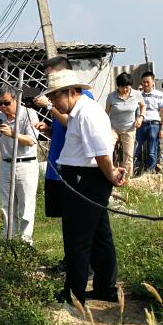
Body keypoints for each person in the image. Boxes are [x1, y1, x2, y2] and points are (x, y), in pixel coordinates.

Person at [45, 69, 126, 305]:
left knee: (77, 239)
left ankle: (73, 294)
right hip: (81, 176)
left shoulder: (88, 113)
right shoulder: (79, 113)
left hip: (87, 179)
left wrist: (111, 174)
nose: (53, 103)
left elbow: (101, 152)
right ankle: (104, 287)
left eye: (55, 98)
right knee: (100, 236)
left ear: (70, 92)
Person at [33, 56, 95, 219]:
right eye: (47, 76)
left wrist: (48, 106)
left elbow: (71, 123)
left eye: (51, 75)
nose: (49, 80)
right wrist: (48, 130)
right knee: (63, 218)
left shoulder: (83, 97)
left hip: (71, 167)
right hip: (56, 165)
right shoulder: (58, 101)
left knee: (74, 218)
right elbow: (63, 131)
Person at [0, 86, 41, 242]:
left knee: (26, 205)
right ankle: (8, 238)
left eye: (6, 103)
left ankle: (24, 241)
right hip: (7, 164)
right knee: (6, 204)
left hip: (26, 164)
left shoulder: (29, 114)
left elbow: (31, 140)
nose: (3, 106)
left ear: (16, 100)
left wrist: (12, 133)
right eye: (0, 103)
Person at [105, 73, 144, 173]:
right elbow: (106, 112)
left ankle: (126, 179)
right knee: (107, 149)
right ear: (118, 86)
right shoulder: (111, 96)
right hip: (113, 128)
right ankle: (110, 173)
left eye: (127, 87)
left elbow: (143, 106)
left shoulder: (136, 95)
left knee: (128, 155)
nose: (125, 90)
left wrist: (140, 117)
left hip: (129, 128)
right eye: (122, 87)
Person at [133, 71, 163, 173]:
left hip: (154, 124)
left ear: (153, 82)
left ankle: (149, 171)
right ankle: (135, 170)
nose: (145, 84)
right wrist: (138, 91)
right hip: (140, 124)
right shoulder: (137, 94)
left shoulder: (159, 94)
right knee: (136, 150)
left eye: (147, 82)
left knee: (152, 151)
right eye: (143, 82)